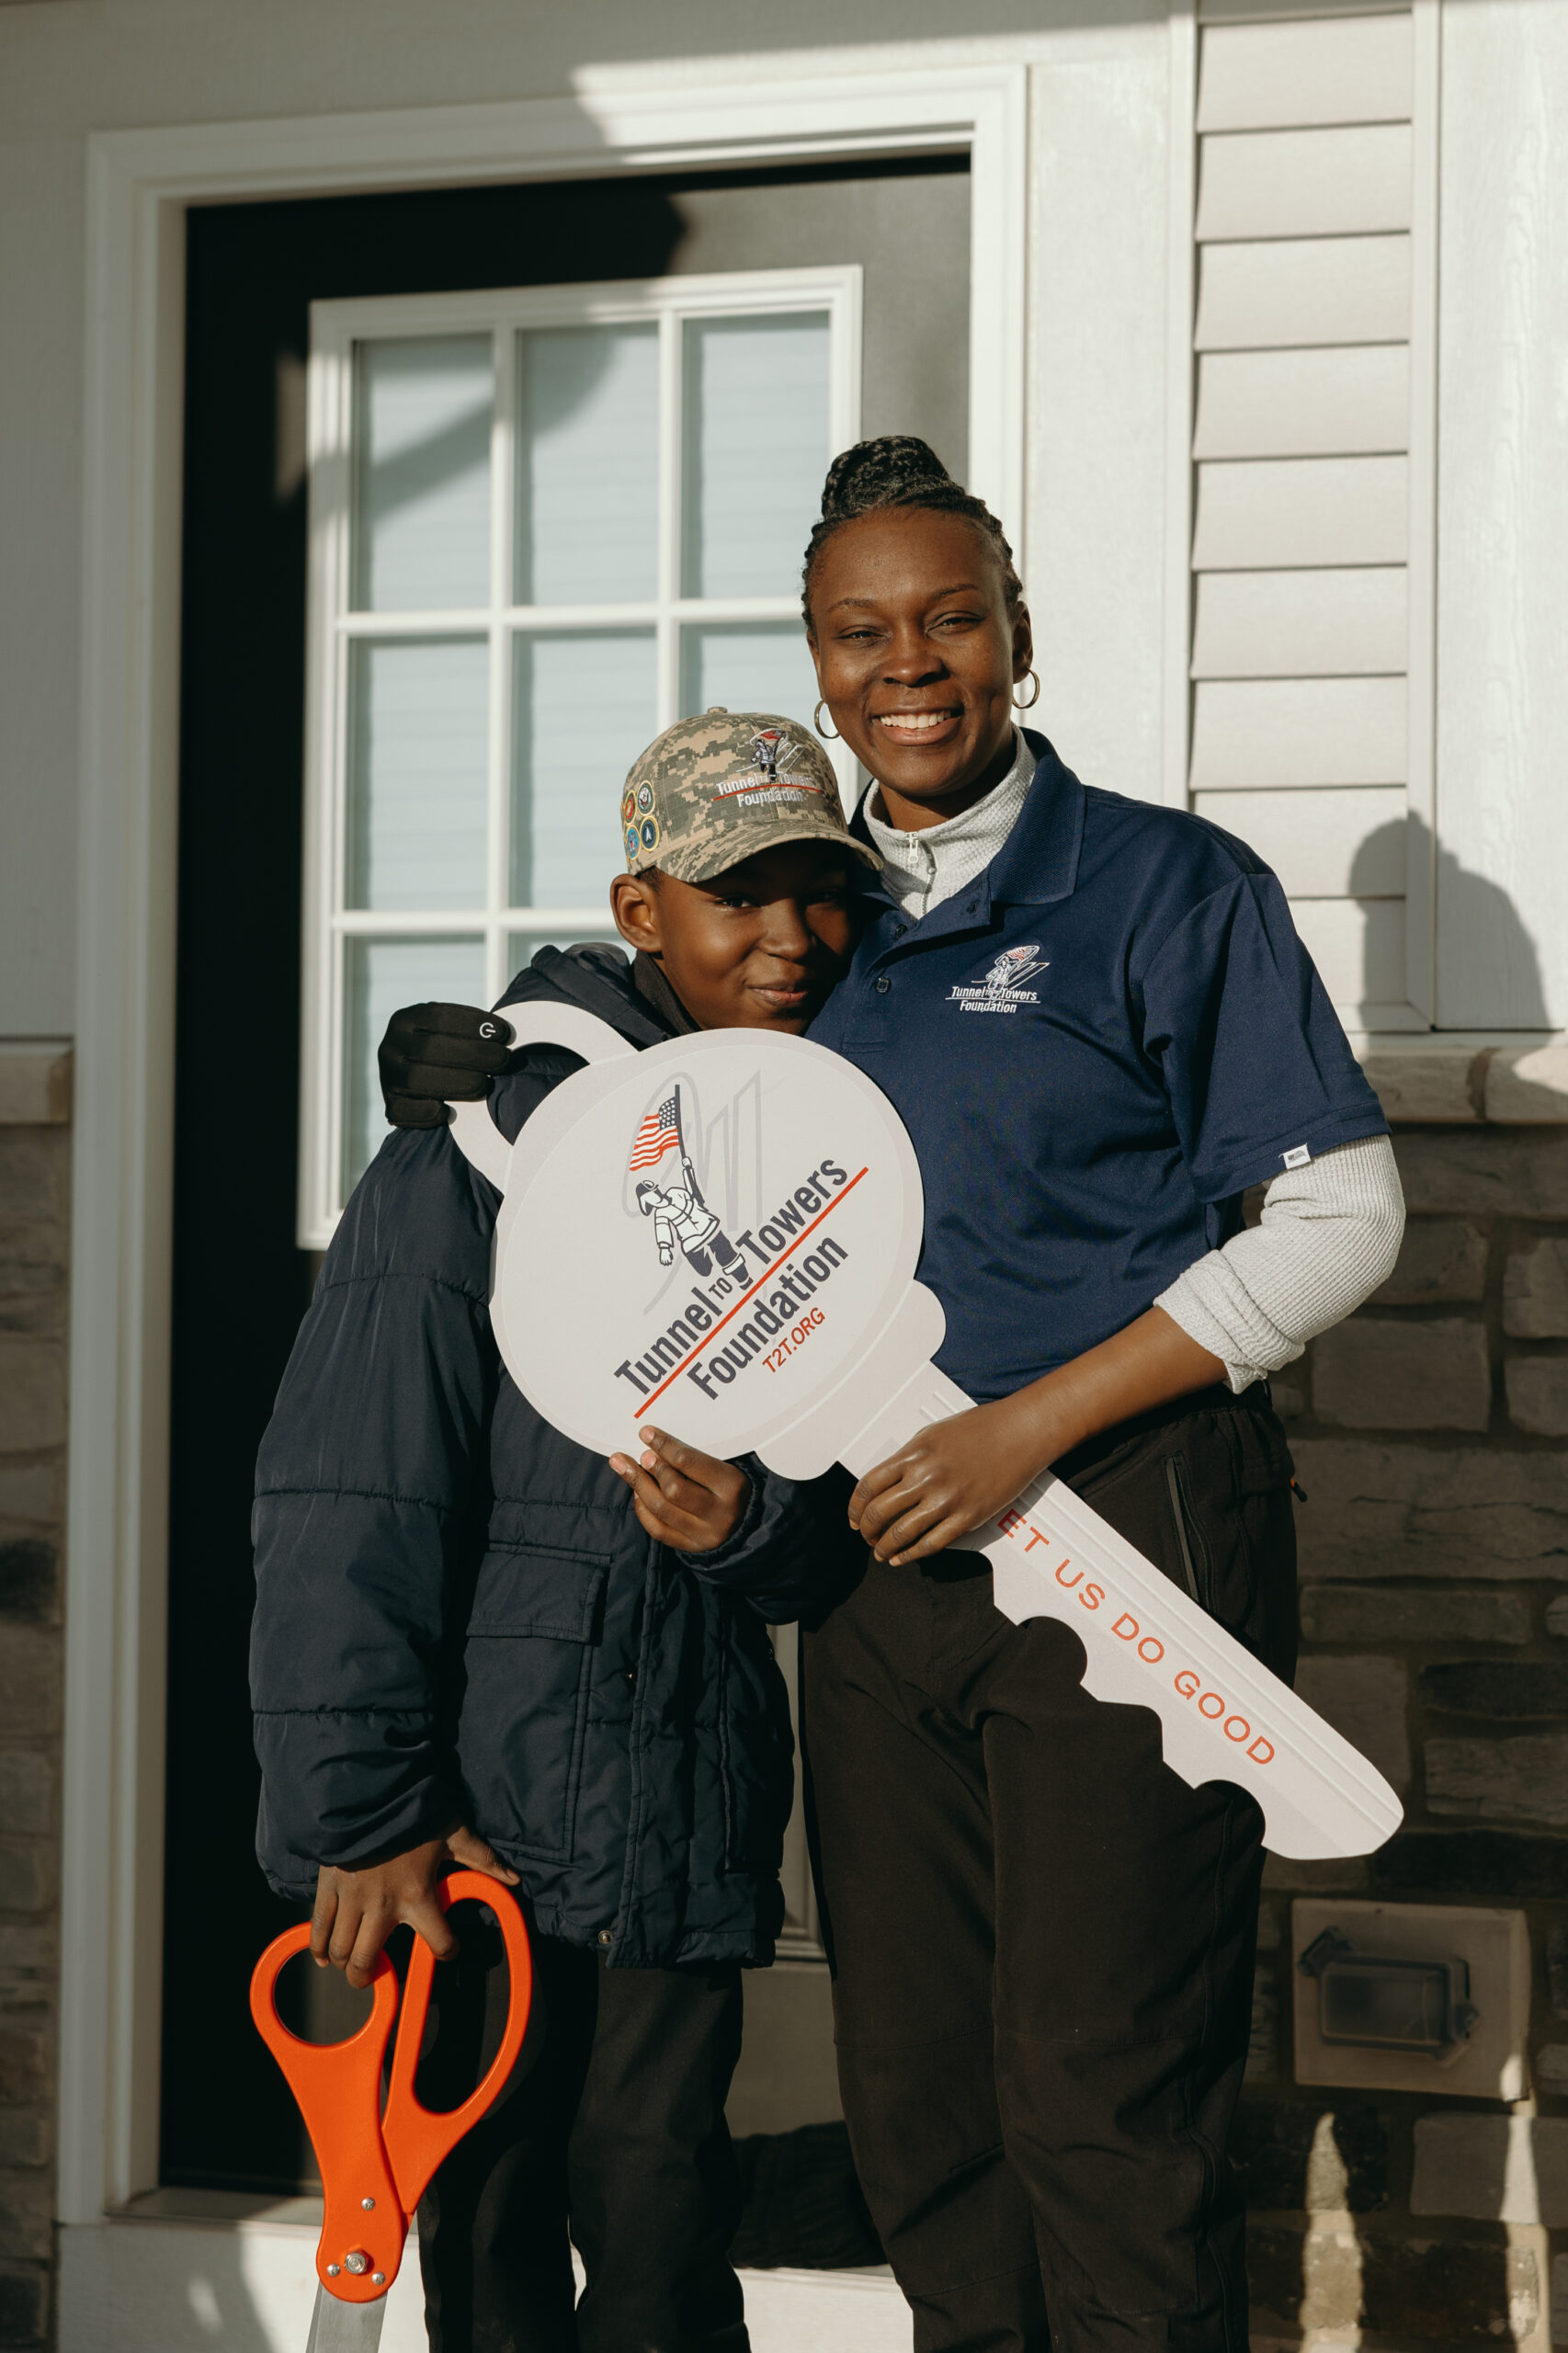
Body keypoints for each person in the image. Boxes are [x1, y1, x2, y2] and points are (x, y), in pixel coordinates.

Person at [374, 438, 1406, 2353]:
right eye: (860, 632)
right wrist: (478, 1049)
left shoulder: (1160, 884)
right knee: (925, 2107)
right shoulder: (817, 924)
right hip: (872, 1574)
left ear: (1017, 632)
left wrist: (1025, 1424)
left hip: (1127, 1521)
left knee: (1099, 2098)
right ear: (818, 656)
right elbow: (637, 1051)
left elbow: (1346, 1215)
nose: (906, 662)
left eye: (948, 617)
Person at [250, 708, 875, 2353]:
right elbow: (348, 1491)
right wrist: (366, 1811)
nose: (790, 939)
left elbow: (842, 1513)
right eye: (740, 896)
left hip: (679, 1808)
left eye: (821, 893)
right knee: (489, 2239)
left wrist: (753, 1530)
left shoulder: (810, 1148)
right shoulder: (486, 1140)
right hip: (475, 1835)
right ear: (640, 906)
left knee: (668, 2242)